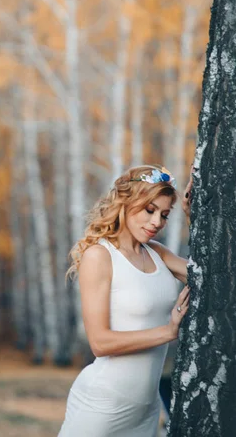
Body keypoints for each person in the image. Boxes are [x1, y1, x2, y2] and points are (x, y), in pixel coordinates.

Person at [58, 164, 193, 437]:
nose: (157, 222)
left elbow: (210, 277)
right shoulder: (100, 256)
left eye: (165, 215)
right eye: (150, 210)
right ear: (127, 202)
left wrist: (195, 218)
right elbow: (100, 343)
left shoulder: (156, 252)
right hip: (102, 406)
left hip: (146, 410)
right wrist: (168, 331)